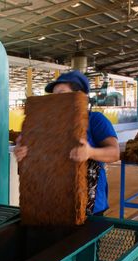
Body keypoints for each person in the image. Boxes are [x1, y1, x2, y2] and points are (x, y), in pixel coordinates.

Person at [14, 70, 120, 216]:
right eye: (54, 95)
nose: (56, 100)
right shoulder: (47, 125)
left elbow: (115, 153)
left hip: (89, 207)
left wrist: (90, 152)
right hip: (55, 203)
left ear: (80, 96)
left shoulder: (95, 120)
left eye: (62, 93)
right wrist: (23, 153)